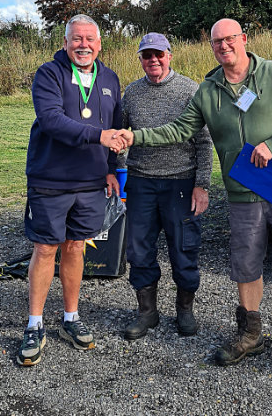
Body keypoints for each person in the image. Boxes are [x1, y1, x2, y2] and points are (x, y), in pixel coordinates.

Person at [124, 18, 272, 381]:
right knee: (245, 264)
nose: (223, 46)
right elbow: (179, 130)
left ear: (243, 40)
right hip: (241, 194)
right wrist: (133, 137)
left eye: (229, 39)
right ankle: (251, 333)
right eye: (217, 42)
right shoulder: (208, 90)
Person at [15, 14, 127, 367]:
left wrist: (111, 170)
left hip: (91, 181)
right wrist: (97, 136)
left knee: (76, 246)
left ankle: (70, 317)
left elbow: (114, 126)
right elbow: (51, 120)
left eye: (89, 39)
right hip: (51, 179)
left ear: (99, 44)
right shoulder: (48, 74)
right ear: (65, 43)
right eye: (76, 39)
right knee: (46, 249)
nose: (83, 45)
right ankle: (34, 324)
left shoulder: (110, 78)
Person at [117, 32, 213, 340]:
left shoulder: (189, 90)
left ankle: (184, 310)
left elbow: (204, 141)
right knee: (139, 249)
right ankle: (147, 312)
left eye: (159, 54)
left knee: (184, 248)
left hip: (181, 183)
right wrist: (115, 170)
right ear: (141, 60)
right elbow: (120, 137)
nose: (153, 60)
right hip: (141, 182)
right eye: (147, 55)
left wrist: (202, 184)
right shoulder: (131, 93)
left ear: (170, 55)